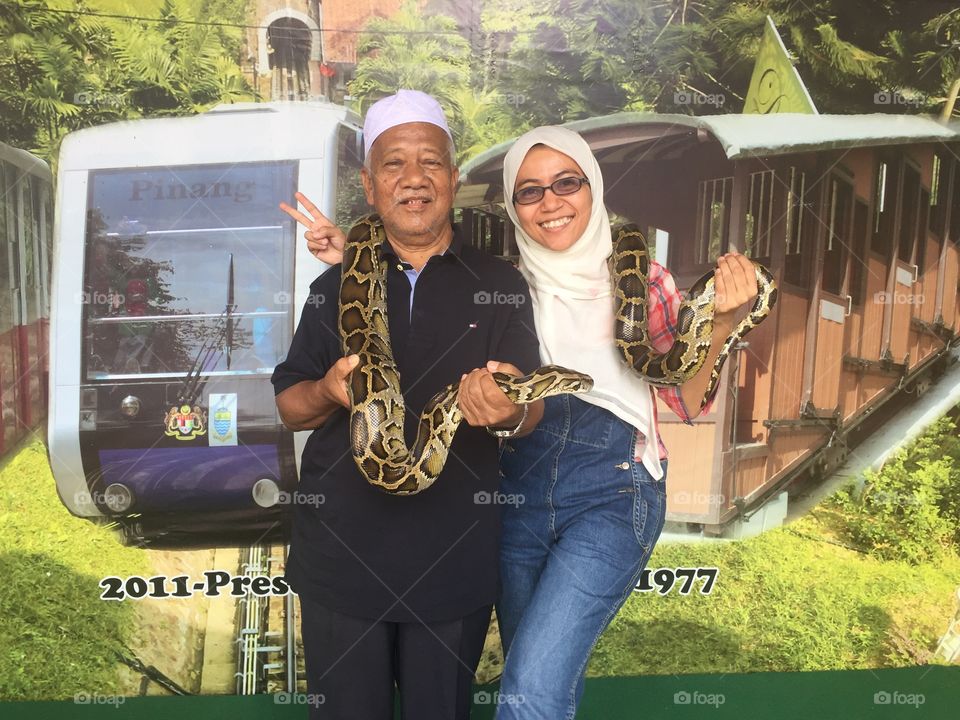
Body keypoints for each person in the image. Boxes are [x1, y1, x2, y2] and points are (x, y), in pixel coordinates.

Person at [271, 90, 544, 720]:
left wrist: (510, 410)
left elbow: (532, 408)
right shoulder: (333, 285)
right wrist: (328, 392)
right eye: (394, 164)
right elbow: (291, 404)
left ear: (452, 178)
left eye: (430, 163)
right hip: (341, 563)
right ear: (370, 185)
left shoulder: (500, 285)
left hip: (453, 569)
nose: (413, 179)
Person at [492, 126, 758, 719]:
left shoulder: (646, 279)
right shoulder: (500, 288)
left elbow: (685, 401)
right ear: (512, 206)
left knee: (530, 690)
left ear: (594, 186)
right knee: (539, 680)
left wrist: (717, 327)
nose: (551, 202)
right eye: (529, 191)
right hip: (516, 496)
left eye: (567, 182)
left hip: (614, 492)